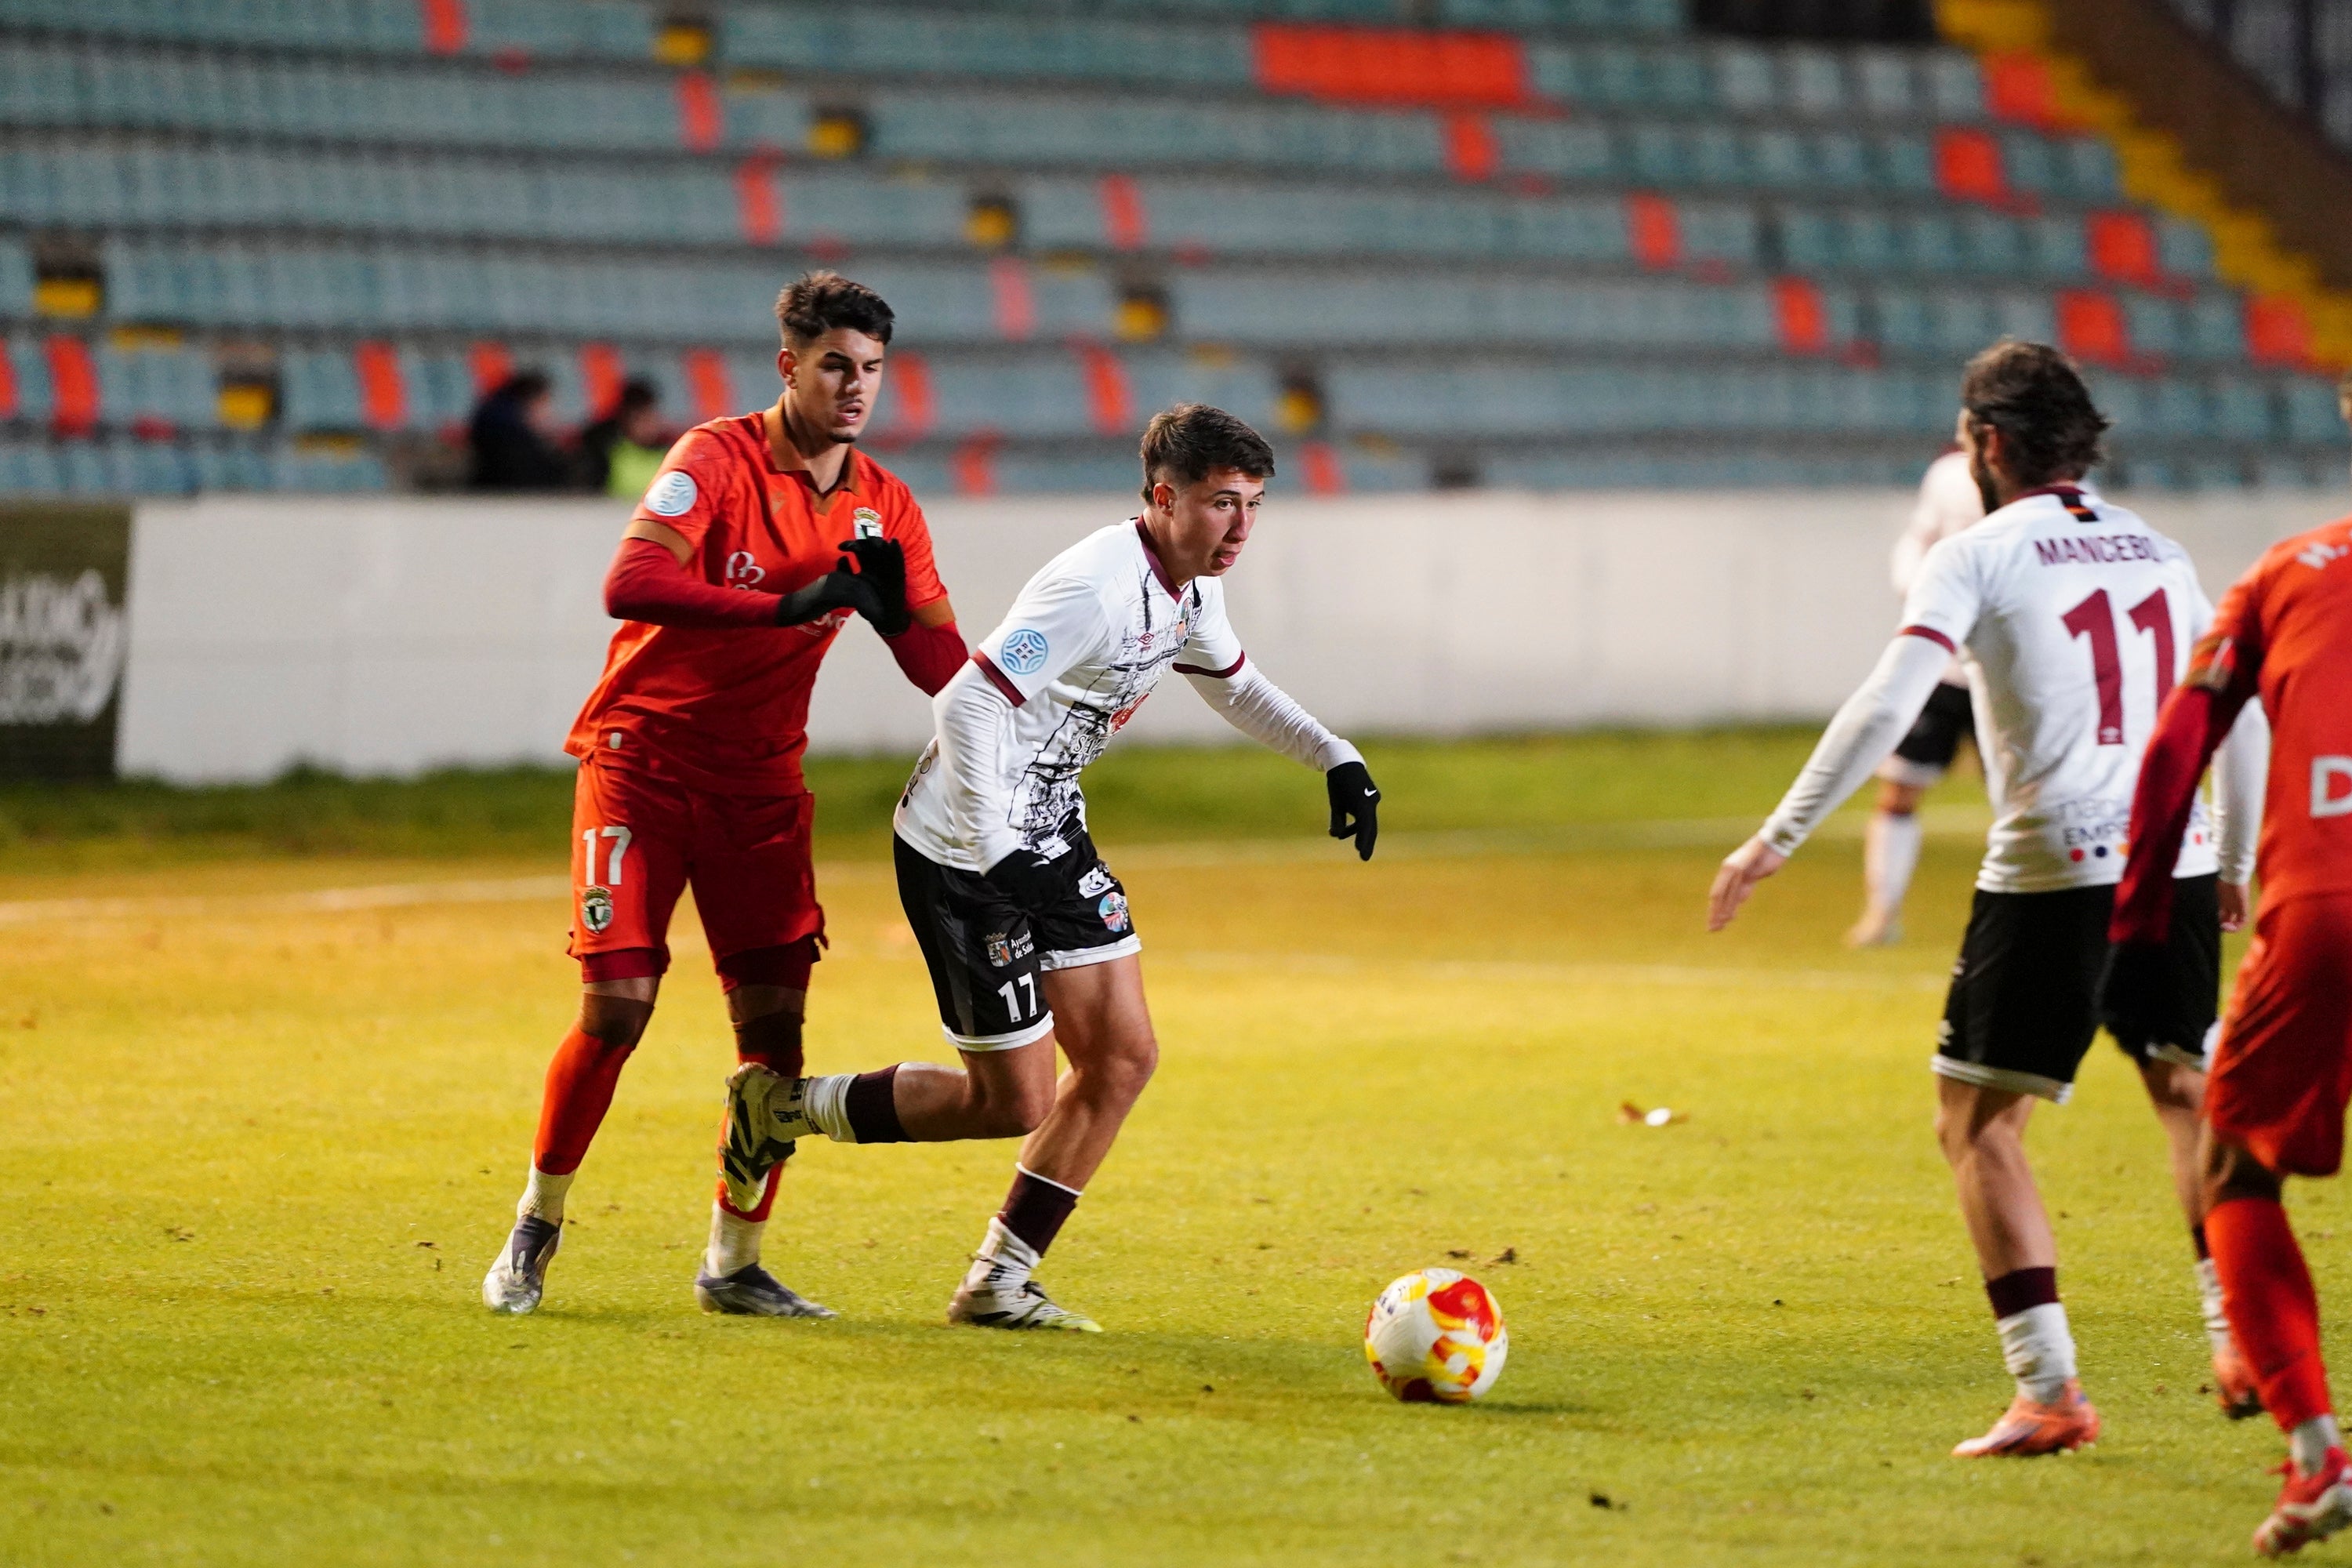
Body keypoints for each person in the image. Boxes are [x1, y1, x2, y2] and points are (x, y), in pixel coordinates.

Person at [1706, 339, 2263, 1456]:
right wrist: (2237, 857)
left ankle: (2049, 1389)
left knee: (1978, 1119)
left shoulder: (1976, 551)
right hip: (2179, 855)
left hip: (2057, 866)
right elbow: (2237, 708)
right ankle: (2243, 1333)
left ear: (1987, 445)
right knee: (2185, 1087)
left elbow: (1885, 702)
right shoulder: (2162, 550)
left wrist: (1778, 836)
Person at [717, 403, 1382, 1331]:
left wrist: (1332, 754)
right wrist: (998, 854)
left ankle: (998, 1280)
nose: (1241, 527)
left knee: (1122, 1057)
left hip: (1049, 834)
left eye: (1254, 504)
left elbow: (1231, 678)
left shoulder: (1190, 581)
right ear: (1163, 497)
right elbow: (966, 705)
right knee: (1012, 1099)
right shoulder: (1095, 587)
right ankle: (783, 1109)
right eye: (1222, 503)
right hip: (963, 846)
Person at [481, 271, 971, 1318]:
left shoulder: (887, 503)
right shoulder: (713, 458)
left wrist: (895, 618)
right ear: (789, 365)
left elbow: (943, 673)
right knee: (617, 1007)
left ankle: (734, 1265)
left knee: (776, 1040)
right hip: (640, 762)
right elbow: (632, 583)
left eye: (872, 369)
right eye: (836, 364)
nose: (855, 386)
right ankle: (536, 1224)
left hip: (759, 790)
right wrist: (789, 604)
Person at [2103, 511, 2350, 1555]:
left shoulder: (2286, 570)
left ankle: (2317, 1451)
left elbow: (2178, 740)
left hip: (2324, 905)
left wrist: (2141, 912)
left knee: (2234, 1172)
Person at [1846, 448, 1984, 947]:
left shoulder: (2063, 488)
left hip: (2008, 676)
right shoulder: (1948, 477)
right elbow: (1916, 542)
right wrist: (1917, 593)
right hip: (1942, 671)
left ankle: (2050, 919)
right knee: (1899, 790)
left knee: (2029, 802)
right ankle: (1882, 913)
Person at [467, 369, 572, 491]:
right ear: (532, 402)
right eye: (545, 404)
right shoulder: (515, 442)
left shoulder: (492, 419)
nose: (549, 414)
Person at [577, 377, 670, 500]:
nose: (647, 426)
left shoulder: (669, 455)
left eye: (650, 418)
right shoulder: (609, 453)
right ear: (627, 420)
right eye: (640, 420)